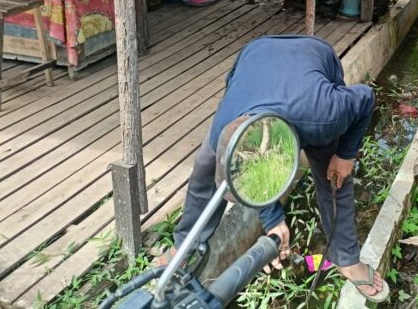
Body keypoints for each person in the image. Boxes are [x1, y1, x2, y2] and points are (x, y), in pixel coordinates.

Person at [165, 35, 389, 303]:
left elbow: (365, 97)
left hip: (315, 56)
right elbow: (250, 178)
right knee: (205, 170)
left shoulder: (325, 117)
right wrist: (273, 219)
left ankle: (346, 259)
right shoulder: (221, 132)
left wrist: (345, 155)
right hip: (255, 52)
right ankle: (183, 247)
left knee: (334, 176)